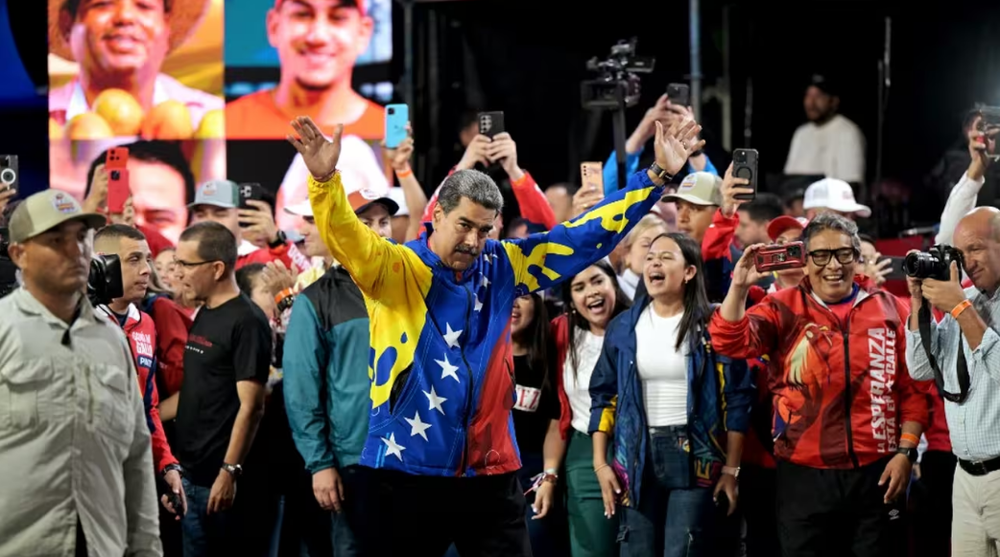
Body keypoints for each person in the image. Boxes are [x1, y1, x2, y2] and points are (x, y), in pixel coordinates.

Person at [289, 113, 703, 555]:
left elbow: (584, 237)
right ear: (439, 214)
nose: (474, 239)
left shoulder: (505, 264)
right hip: (404, 471)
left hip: (492, 474)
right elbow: (346, 237)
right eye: (464, 225)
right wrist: (324, 180)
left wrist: (655, 176)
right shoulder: (395, 268)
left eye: (485, 229)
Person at [709, 213, 927, 557]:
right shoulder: (782, 306)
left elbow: (913, 389)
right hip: (803, 473)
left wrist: (905, 452)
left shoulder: (890, 308)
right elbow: (728, 340)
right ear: (805, 262)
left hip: (879, 471)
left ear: (857, 259)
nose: (833, 266)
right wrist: (738, 286)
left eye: (843, 254)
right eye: (821, 256)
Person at [0, 190, 161, 556]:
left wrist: (147, 549)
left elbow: (136, 458)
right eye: (56, 240)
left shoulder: (111, 342)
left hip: (102, 544)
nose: (75, 251)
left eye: (81, 238)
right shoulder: (3, 330)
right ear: (18, 254)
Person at [590, 232, 752, 557]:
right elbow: (604, 396)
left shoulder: (713, 324)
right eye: (650, 257)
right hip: (635, 454)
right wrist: (600, 464)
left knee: (685, 548)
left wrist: (731, 471)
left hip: (698, 455)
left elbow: (736, 400)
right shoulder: (623, 327)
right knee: (635, 548)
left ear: (689, 272)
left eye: (666, 257)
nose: (654, 262)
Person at [283, 187, 399, 556]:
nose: (379, 231)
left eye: (384, 222)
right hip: (355, 461)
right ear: (342, 231)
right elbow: (301, 392)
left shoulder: (412, 286)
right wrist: (319, 464)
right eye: (364, 223)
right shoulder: (315, 300)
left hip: (418, 457)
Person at [905, 206, 1000, 555]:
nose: (967, 261)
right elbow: (920, 369)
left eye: (975, 248)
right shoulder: (967, 299)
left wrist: (960, 309)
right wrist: (919, 303)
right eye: (961, 253)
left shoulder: (964, 305)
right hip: (964, 479)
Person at [172, 221, 272, 556]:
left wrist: (229, 472)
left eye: (186, 264)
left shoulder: (247, 321)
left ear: (216, 268)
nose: (179, 272)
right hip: (189, 474)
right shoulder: (205, 311)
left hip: (218, 480)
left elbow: (252, 406)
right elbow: (197, 388)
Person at [93, 224, 187, 519]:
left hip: (133, 475)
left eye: (147, 259)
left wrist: (166, 464)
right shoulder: (77, 320)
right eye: (134, 259)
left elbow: (148, 407)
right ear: (101, 264)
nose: (147, 269)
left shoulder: (146, 322)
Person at [544, 261, 632, 557]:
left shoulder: (642, 323)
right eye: (579, 288)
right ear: (571, 301)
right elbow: (558, 415)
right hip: (584, 453)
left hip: (643, 448)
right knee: (592, 549)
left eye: (597, 281)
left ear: (614, 284)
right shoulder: (562, 333)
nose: (591, 292)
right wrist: (550, 475)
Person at [48, 0, 223, 131]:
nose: (125, 17)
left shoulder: (213, 118)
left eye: (144, 5)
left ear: (167, 26)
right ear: (67, 25)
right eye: (103, 3)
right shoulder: (35, 123)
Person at [225, 0, 382, 140]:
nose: (318, 37)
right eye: (302, 14)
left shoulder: (390, 133)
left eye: (338, 17)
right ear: (274, 27)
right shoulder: (225, 124)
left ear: (363, 33)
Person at [188, 179, 295, 269]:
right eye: (201, 215)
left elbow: (302, 285)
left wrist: (277, 241)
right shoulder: (182, 258)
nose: (208, 221)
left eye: (220, 214)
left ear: (241, 215)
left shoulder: (260, 259)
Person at [784, 74, 866, 183]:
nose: (811, 103)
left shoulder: (848, 132)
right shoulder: (801, 133)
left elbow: (851, 186)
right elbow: (789, 180)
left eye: (818, 96)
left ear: (834, 101)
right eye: (808, 95)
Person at [616, 214, 669, 300]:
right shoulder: (617, 291)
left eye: (661, 245)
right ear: (627, 254)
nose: (654, 251)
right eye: (646, 245)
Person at [802, 178, 871, 220]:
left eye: (853, 217)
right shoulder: (794, 241)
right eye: (843, 214)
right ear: (814, 215)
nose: (851, 222)